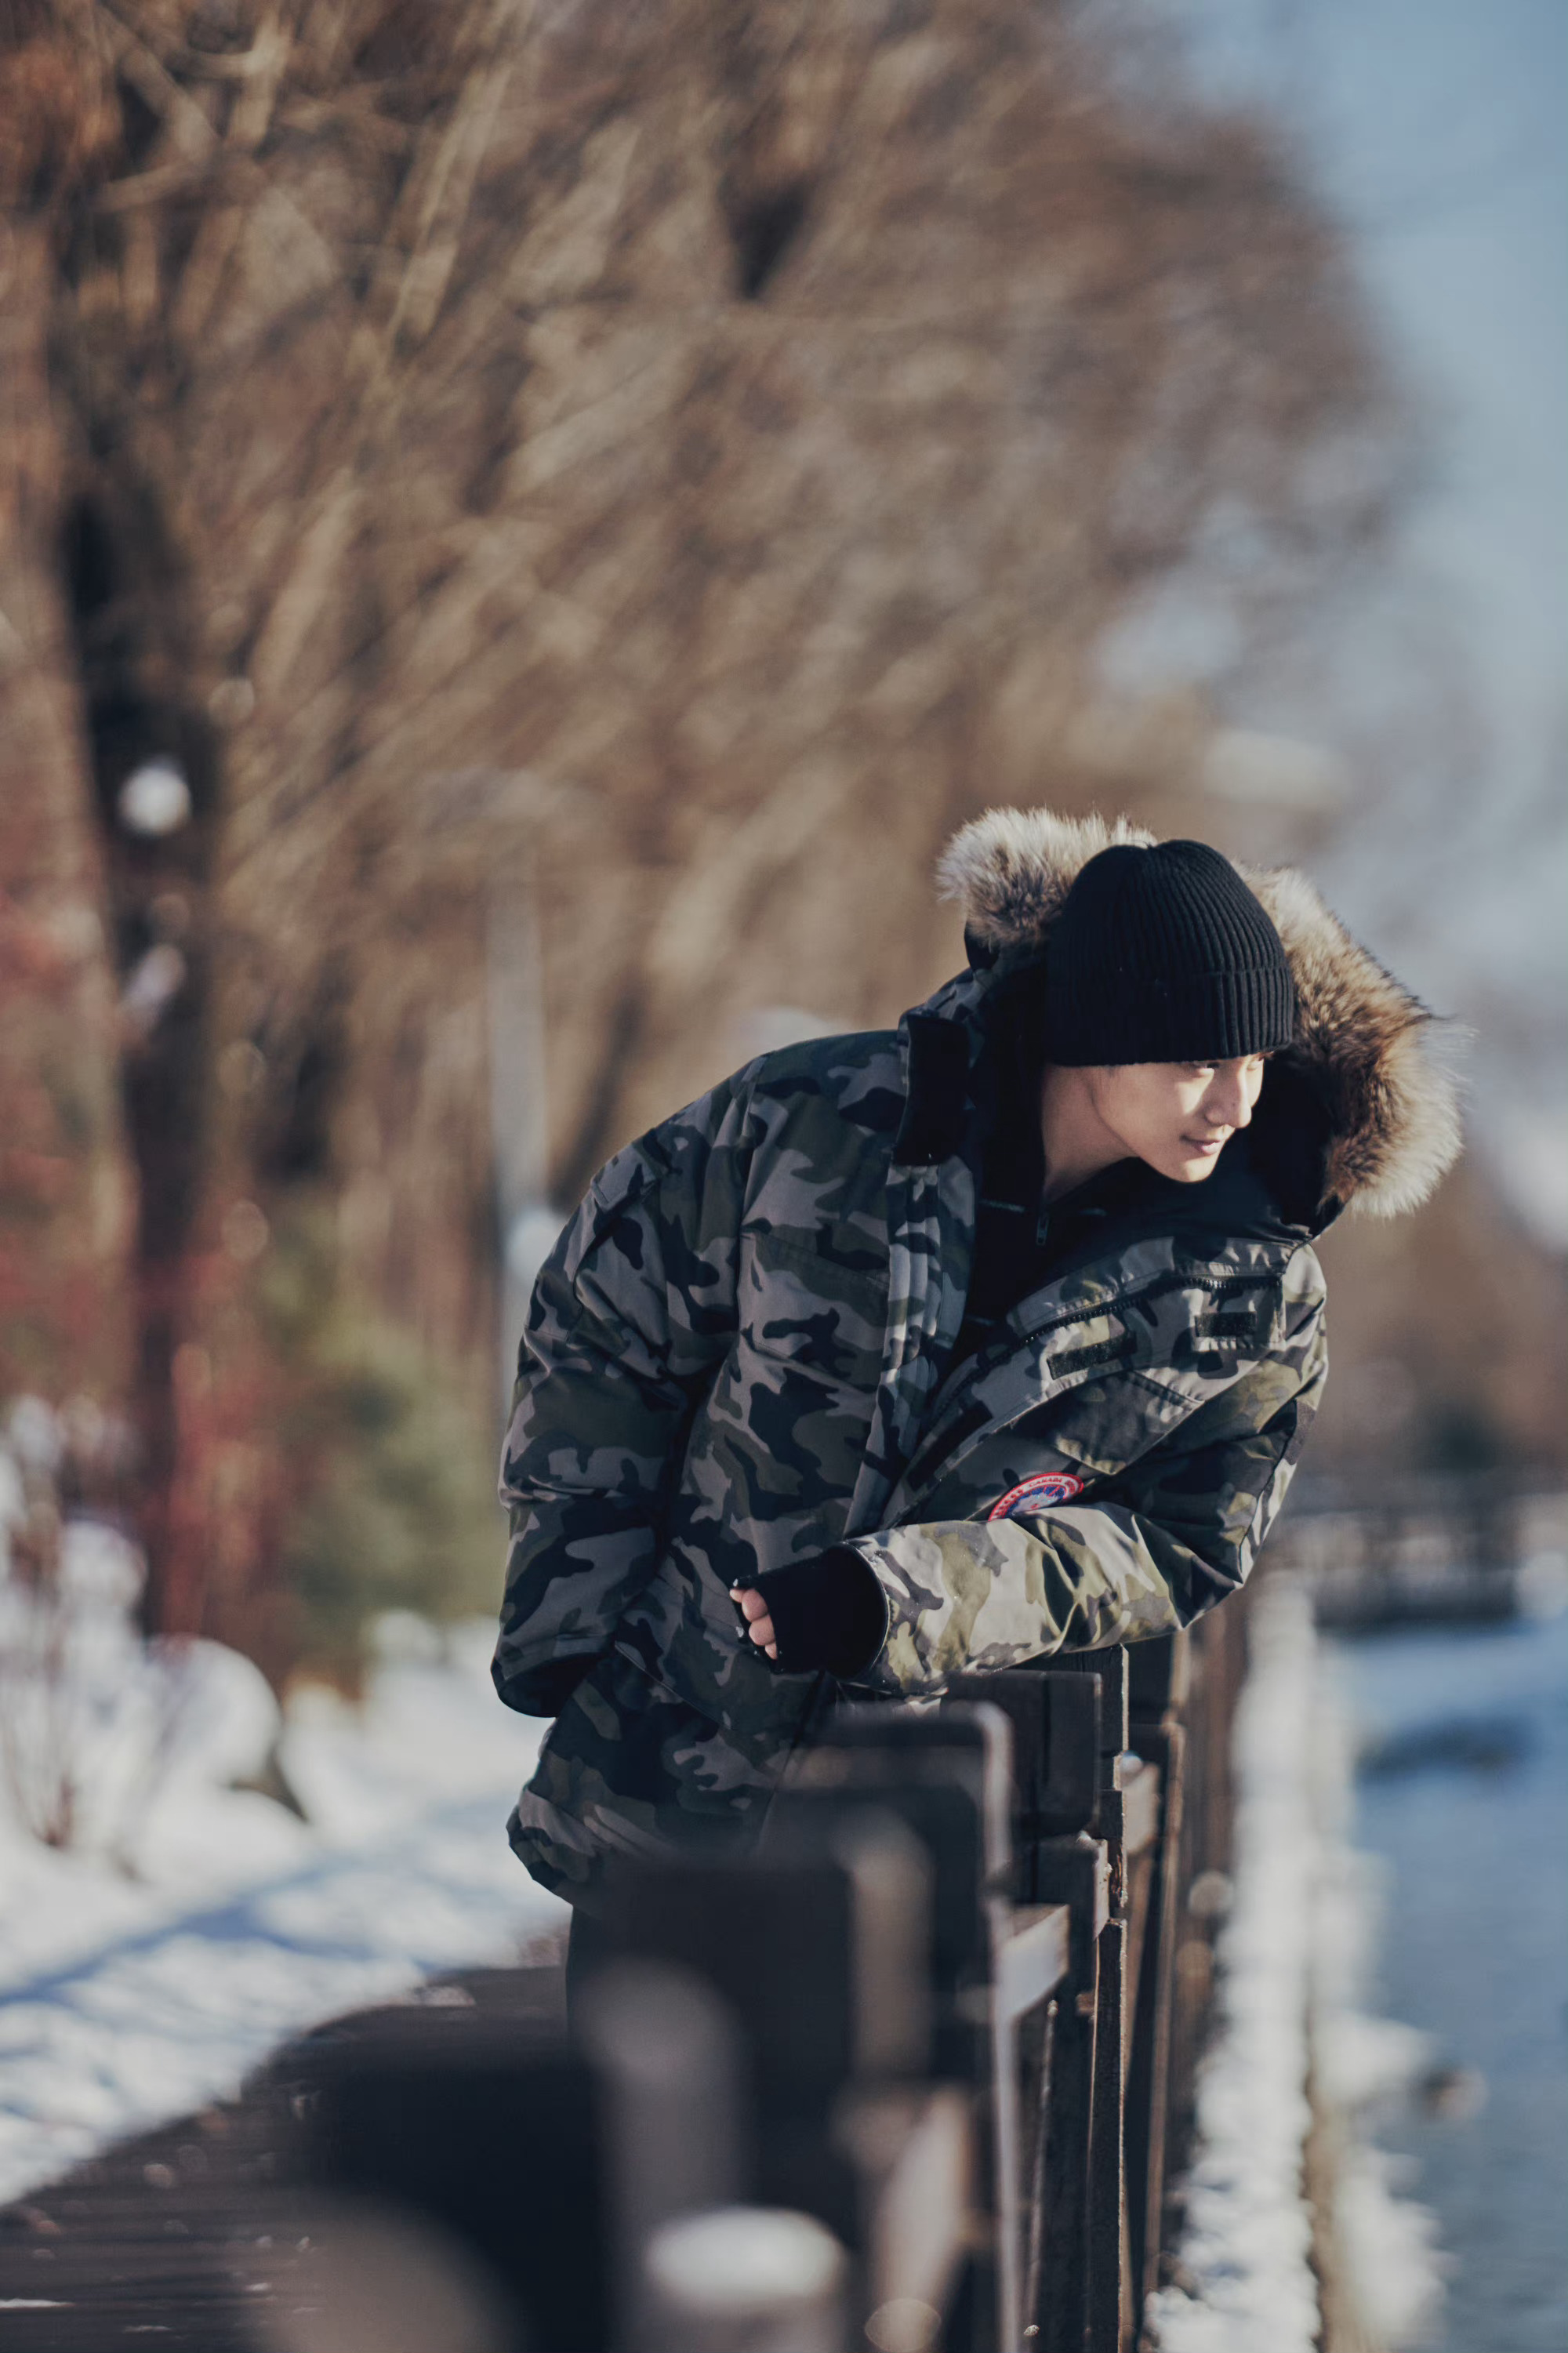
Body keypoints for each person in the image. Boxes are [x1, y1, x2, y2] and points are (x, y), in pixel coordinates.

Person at [492, 808, 1460, 1957]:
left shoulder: (1252, 1298)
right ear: (1099, 1030)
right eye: (1200, 1060)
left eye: (1257, 1061)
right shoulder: (820, 1118)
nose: (1238, 1103)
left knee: (888, 2139)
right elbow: (608, 1308)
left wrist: (912, 1593)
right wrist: (575, 1588)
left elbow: (1186, 1543)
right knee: (611, 2126)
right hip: (665, 1782)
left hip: (931, 1847)